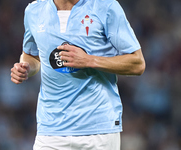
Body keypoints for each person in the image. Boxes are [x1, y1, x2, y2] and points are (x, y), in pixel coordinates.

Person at [11, 0, 145, 149]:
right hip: (51, 130)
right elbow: (32, 55)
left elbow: (137, 63)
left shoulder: (105, 6)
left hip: (98, 130)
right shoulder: (34, 11)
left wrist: (89, 60)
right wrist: (26, 68)